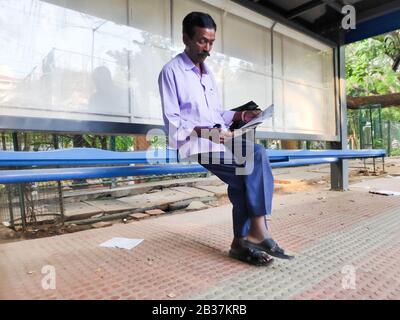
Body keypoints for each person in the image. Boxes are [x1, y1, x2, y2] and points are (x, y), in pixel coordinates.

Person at [158, 12, 294, 266]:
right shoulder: (171, 72)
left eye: (211, 42)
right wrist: (205, 132)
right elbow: (173, 122)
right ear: (185, 38)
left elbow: (216, 113)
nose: (207, 48)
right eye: (201, 41)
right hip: (199, 143)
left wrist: (242, 114)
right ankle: (255, 234)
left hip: (223, 137)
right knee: (247, 172)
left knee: (258, 154)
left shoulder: (208, 73)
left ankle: (243, 242)